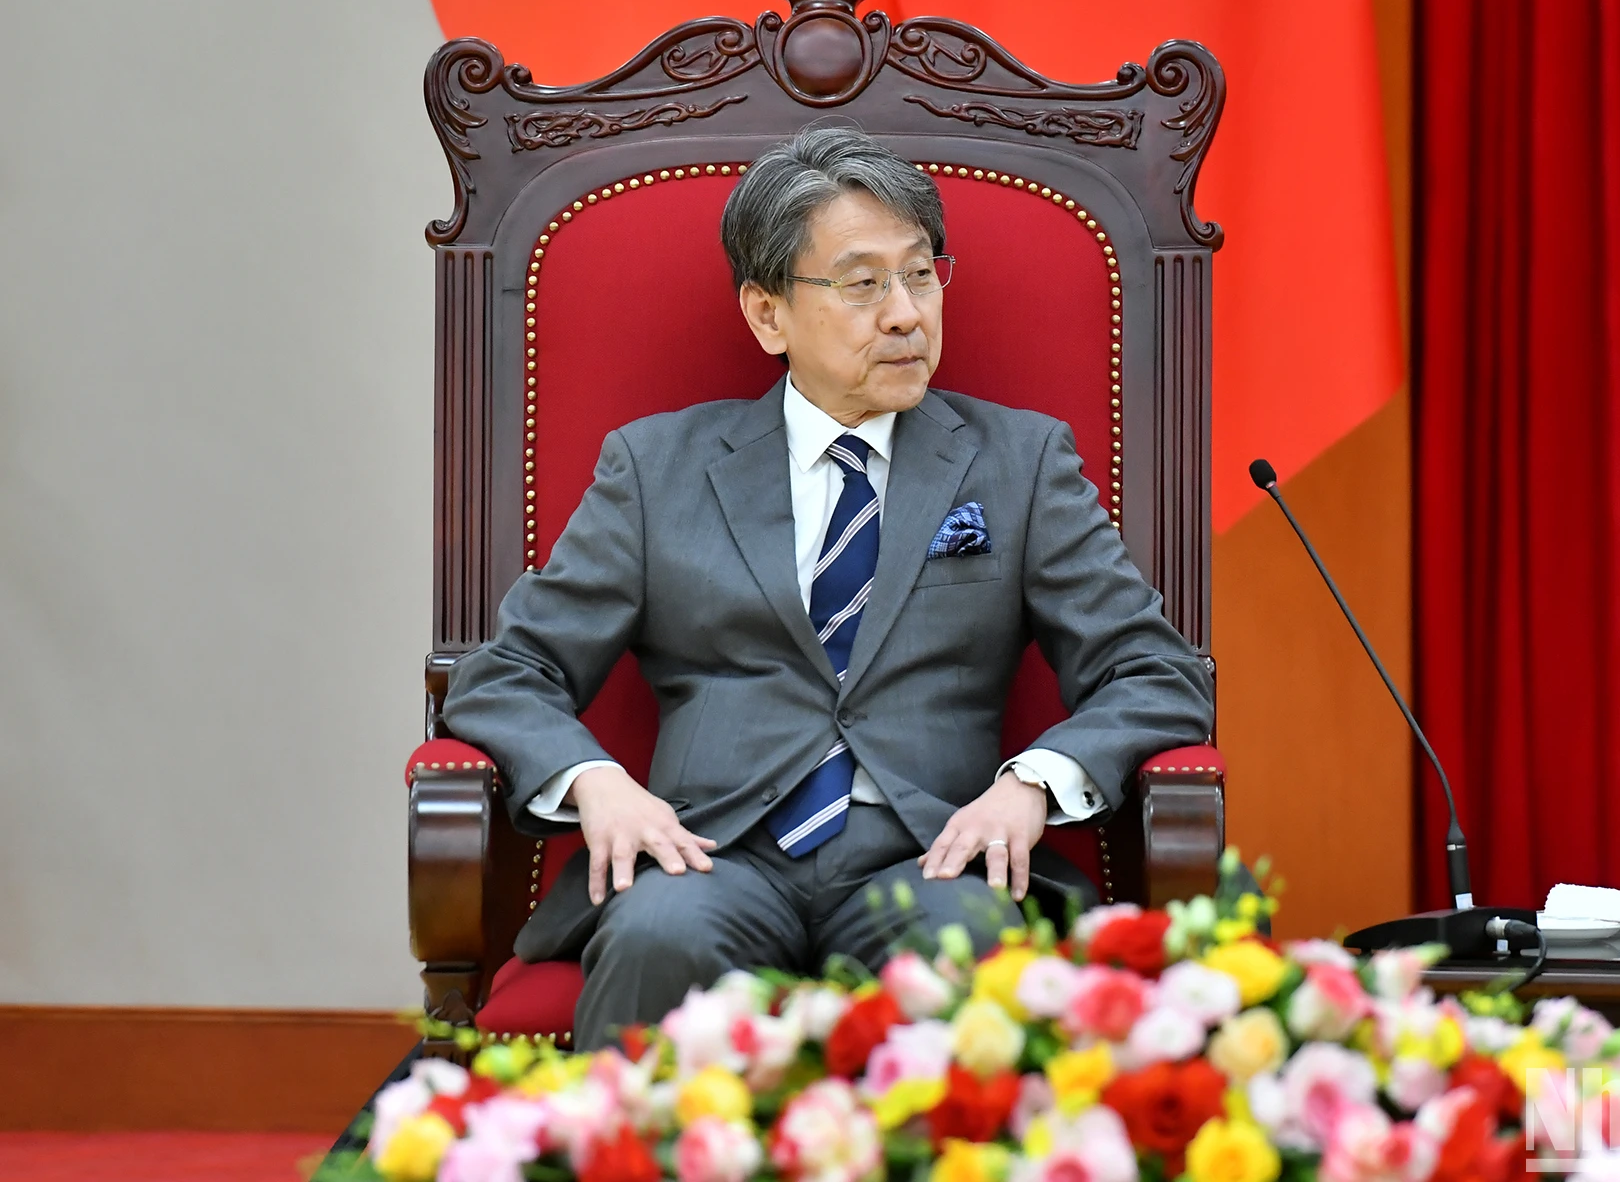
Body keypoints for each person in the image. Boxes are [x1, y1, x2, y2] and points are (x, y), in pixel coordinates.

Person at [443, 125, 1214, 1047]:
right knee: (656, 937)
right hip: (709, 857)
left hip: (929, 863)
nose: (904, 314)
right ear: (768, 315)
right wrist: (598, 783)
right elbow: (507, 675)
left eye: (921, 276)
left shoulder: (1020, 463)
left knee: (969, 947)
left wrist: (1033, 784)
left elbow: (1155, 673)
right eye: (861, 284)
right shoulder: (657, 469)